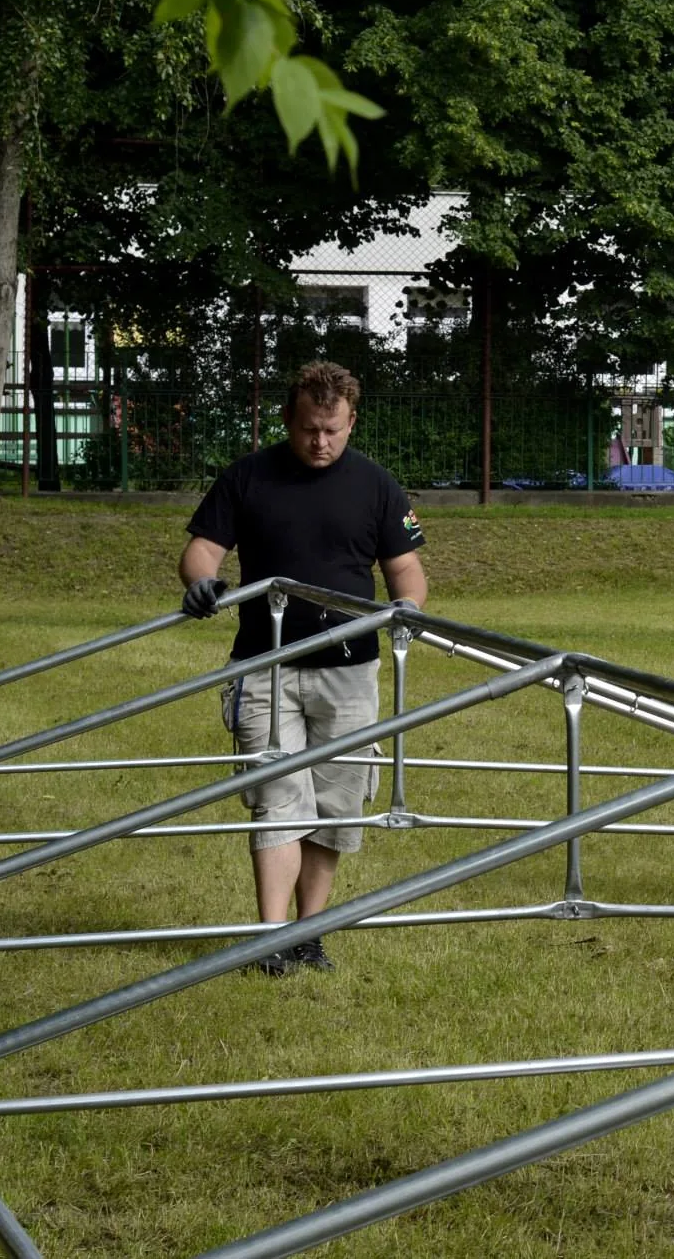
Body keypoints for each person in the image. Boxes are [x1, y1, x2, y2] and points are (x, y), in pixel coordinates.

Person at [178, 361, 428, 976]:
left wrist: (408, 610)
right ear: (289, 417)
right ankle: (269, 941)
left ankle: (310, 934)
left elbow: (408, 576)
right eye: (311, 428)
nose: (321, 442)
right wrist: (202, 583)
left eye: (334, 431)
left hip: (349, 672)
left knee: (336, 805)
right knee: (278, 797)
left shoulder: (377, 486)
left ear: (351, 423)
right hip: (266, 667)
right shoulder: (247, 477)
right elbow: (202, 551)